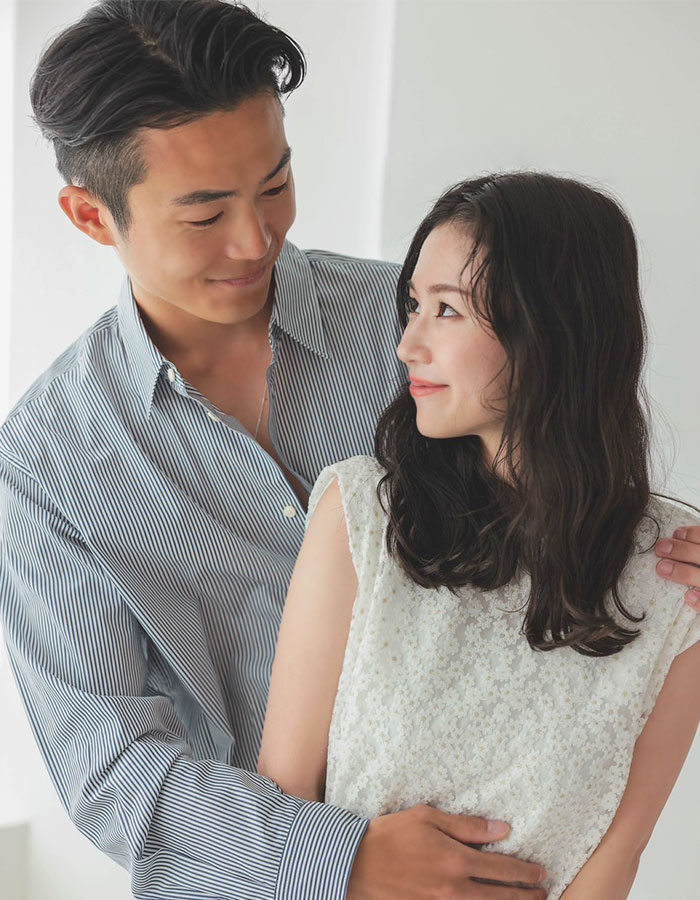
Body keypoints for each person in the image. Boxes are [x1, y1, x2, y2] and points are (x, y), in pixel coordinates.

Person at [0, 0, 697, 897]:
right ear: (92, 216)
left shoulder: (424, 327)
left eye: (275, 185)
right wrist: (341, 857)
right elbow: (109, 769)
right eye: (205, 214)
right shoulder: (45, 463)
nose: (256, 240)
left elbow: (566, 499)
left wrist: (662, 566)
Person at [257, 173, 700, 900]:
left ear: (552, 328)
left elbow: (620, 850)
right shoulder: (360, 515)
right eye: (413, 306)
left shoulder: (674, 568)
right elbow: (283, 809)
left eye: (447, 310)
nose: (408, 344)